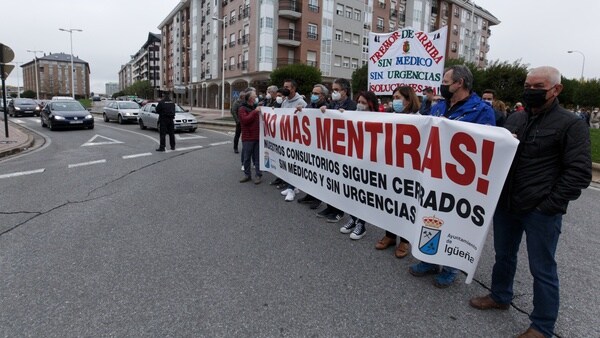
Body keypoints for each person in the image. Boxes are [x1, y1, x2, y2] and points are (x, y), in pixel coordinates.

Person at [469, 66, 591, 338]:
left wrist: (548, 205)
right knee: (504, 256)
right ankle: (500, 296)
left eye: (538, 87)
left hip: (541, 211)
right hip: (507, 204)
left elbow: (579, 173)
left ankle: (542, 326)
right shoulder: (515, 119)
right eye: (527, 85)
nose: (530, 91)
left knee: (542, 269)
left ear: (556, 89)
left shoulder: (571, 124)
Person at [409, 65, 495, 288]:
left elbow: (486, 147)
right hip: (434, 173)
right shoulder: (439, 106)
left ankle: (450, 267)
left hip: (460, 179)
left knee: (453, 220)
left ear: (460, 83)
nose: (443, 86)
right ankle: (428, 258)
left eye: (446, 82)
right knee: (431, 216)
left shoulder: (481, 110)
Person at [374, 86, 419, 256]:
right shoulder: (390, 117)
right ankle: (390, 236)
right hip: (390, 167)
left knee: (406, 205)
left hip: (409, 170)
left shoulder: (420, 120)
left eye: (398, 97)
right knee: (390, 202)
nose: (395, 100)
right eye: (393, 97)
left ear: (408, 99)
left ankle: (405, 241)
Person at [337, 90, 379, 240]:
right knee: (352, 192)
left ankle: (361, 224)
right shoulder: (352, 114)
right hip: (354, 160)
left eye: (363, 103)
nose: (360, 105)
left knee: (364, 194)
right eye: (359, 102)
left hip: (369, 162)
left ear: (371, 104)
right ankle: (353, 219)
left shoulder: (380, 118)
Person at [316, 78, 357, 223]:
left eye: (336, 90)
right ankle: (330, 207)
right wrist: (323, 111)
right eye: (333, 90)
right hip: (330, 148)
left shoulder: (352, 106)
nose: (334, 93)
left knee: (340, 181)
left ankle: (339, 211)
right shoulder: (332, 104)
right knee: (329, 179)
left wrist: (345, 115)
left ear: (345, 91)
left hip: (343, 149)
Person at [296, 84, 330, 209]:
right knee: (310, 171)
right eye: (313, 93)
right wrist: (301, 110)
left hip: (322, 146)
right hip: (310, 145)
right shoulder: (311, 106)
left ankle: (318, 198)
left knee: (320, 173)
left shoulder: (328, 107)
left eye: (317, 94)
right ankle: (310, 195)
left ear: (323, 96)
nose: (313, 95)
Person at [279, 79, 307, 201]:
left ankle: (292, 189)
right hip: (286, 137)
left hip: (297, 138)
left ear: (294, 88)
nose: (285, 88)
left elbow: (308, 117)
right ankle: (292, 186)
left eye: (287, 87)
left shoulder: (301, 101)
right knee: (288, 162)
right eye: (284, 86)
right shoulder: (285, 101)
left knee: (295, 163)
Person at [238, 89, 263, 184]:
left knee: (257, 158)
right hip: (248, 137)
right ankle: (247, 175)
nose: (256, 97)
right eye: (255, 96)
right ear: (250, 98)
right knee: (247, 158)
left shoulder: (255, 108)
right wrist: (255, 112)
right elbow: (245, 120)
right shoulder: (242, 109)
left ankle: (258, 175)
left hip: (257, 137)